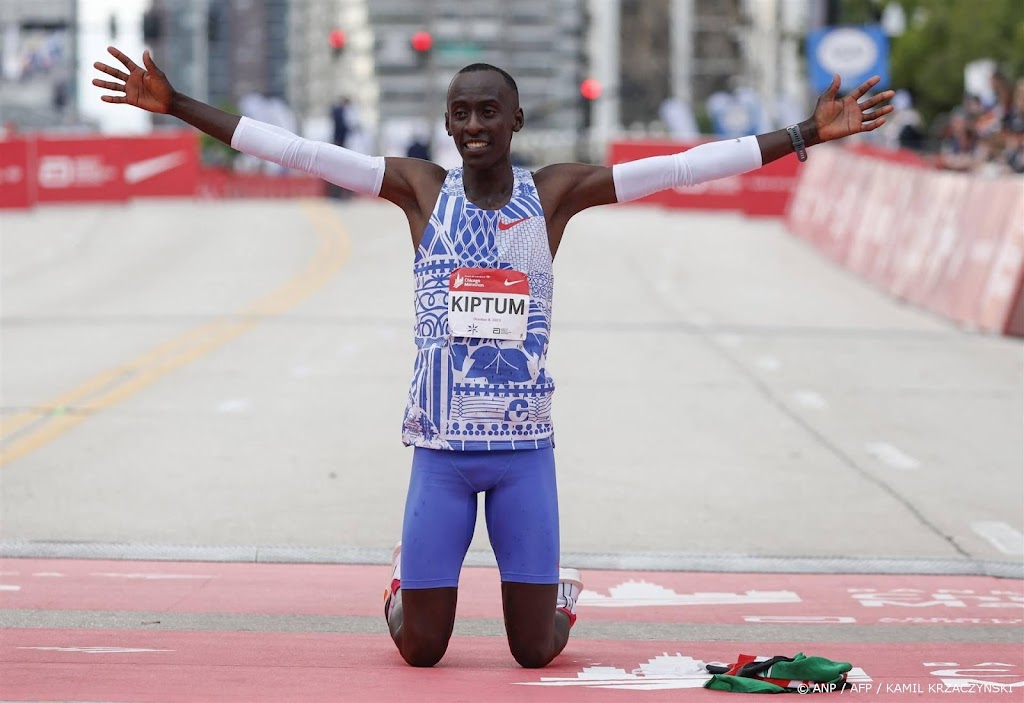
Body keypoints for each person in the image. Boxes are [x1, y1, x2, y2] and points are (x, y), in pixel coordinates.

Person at [92, 46, 894, 669]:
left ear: (516, 121)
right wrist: (176, 108)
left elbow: (681, 168)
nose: (474, 125)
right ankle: (405, 579)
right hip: (439, 456)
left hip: (522, 458)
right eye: (461, 113)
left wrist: (802, 135)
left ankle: (561, 592)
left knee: (534, 650)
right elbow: (295, 150)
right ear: (447, 125)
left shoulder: (553, 194)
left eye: (489, 112)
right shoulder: (415, 189)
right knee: (421, 648)